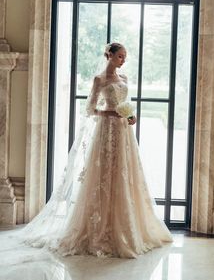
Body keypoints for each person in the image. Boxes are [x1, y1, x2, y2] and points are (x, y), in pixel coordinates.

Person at [1, 43, 173, 261]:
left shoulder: (125, 79)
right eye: (120, 56)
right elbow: (90, 109)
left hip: (123, 133)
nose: (123, 60)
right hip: (106, 130)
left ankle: (128, 226)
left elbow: (126, 104)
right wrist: (113, 112)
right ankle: (99, 229)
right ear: (109, 56)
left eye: (125, 57)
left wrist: (130, 116)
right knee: (103, 175)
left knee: (125, 173)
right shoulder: (99, 80)